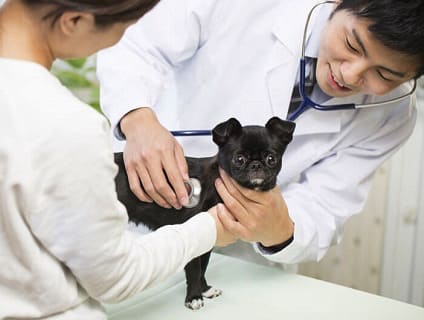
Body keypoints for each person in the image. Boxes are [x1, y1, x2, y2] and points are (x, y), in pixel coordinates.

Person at [96, 0, 424, 266]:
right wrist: (137, 120)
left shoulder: (390, 118)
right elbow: (137, 46)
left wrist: (279, 228)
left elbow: (325, 207)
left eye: (384, 73)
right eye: (352, 44)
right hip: (134, 216)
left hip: (237, 261)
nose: (350, 75)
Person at [0, 1, 237, 319]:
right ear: (74, 21)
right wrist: (209, 228)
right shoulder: (66, 126)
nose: (118, 42)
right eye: (123, 29)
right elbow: (114, 278)